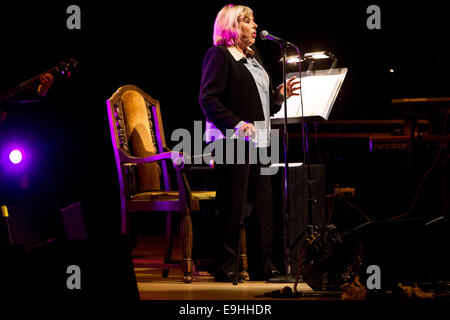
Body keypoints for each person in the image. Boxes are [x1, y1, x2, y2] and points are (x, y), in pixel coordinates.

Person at [199, 4, 300, 281]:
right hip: (231, 142)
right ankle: (225, 265)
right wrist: (235, 123)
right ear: (231, 27)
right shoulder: (220, 56)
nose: (254, 26)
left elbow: (262, 105)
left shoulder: (254, 59)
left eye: (254, 21)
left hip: (260, 141)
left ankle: (262, 266)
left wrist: (279, 96)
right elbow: (208, 99)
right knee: (234, 206)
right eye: (247, 21)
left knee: (263, 207)